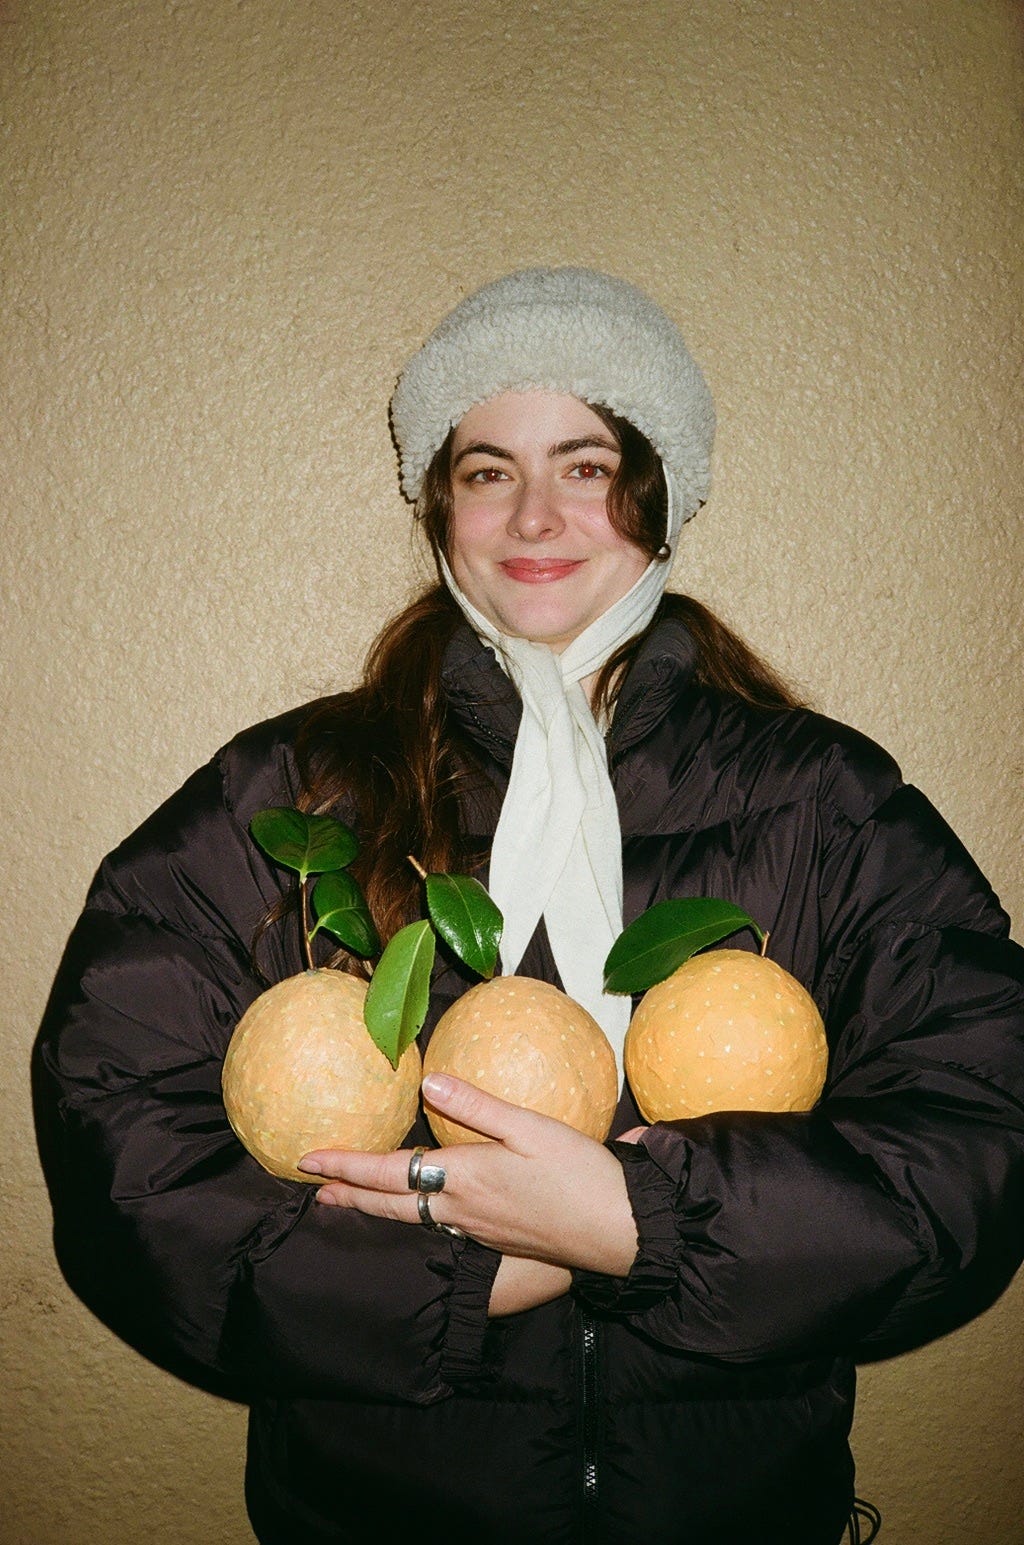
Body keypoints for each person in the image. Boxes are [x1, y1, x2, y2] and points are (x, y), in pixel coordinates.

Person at [33, 267, 1024, 1545]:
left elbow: (977, 1129)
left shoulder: (820, 800)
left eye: (587, 464)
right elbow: (121, 1142)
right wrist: (463, 1276)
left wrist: (645, 1226)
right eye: (488, 469)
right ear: (439, 503)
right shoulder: (293, 794)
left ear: (662, 490)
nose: (535, 515)